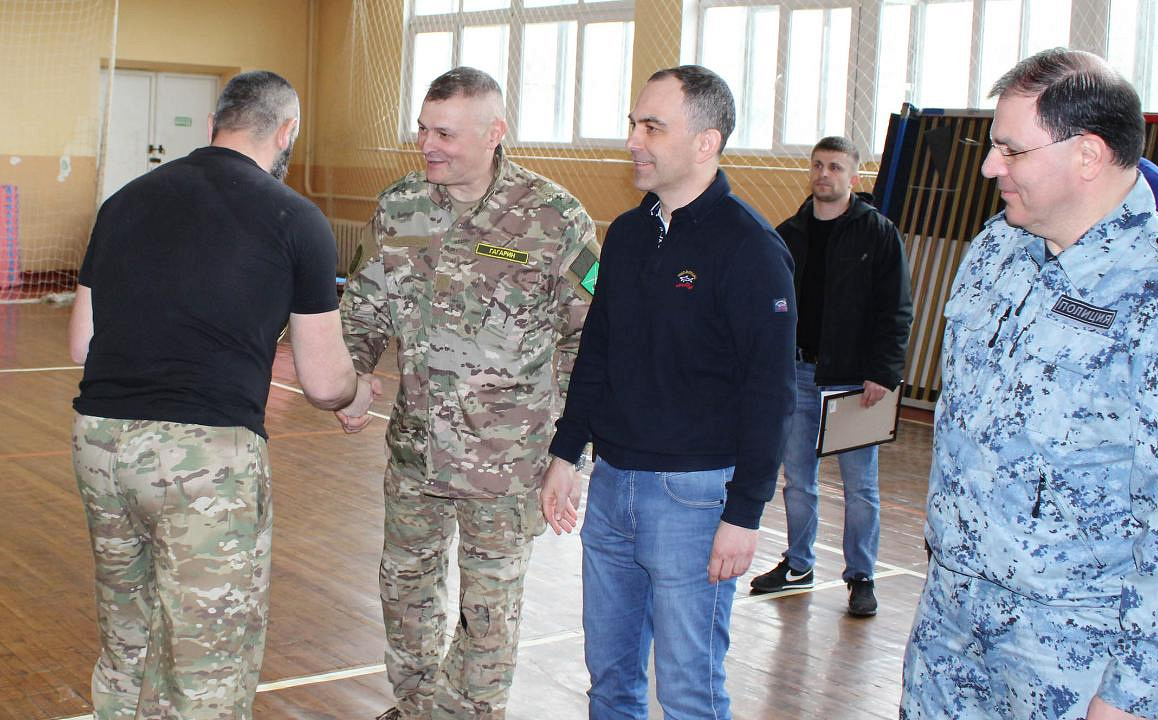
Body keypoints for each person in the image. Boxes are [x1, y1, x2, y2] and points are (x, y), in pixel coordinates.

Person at [901, 48, 1158, 720]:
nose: (989, 167)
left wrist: (1129, 694)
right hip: (950, 627)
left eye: (1011, 150)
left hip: (1072, 650)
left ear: (1088, 155)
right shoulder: (996, 251)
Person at [68, 70, 366, 719]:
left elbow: (81, 345)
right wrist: (356, 392)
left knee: (127, 645)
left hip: (101, 445)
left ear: (213, 126)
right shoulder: (297, 220)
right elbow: (322, 382)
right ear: (286, 132)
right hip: (204, 458)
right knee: (208, 668)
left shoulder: (123, 202)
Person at [338, 66, 599, 720]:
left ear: (494, 132)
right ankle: (417, 708)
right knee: (405, 594)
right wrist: (352, 373)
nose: (428, 145)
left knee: (487, 615)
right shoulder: (400, 208)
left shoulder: (555, 218)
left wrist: (571, 454)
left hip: (508, 467)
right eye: (423, 129)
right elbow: (363, 310)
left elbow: (592, 340)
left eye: (446, 134)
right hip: (415, 456)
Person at [540, 65, 797, 719]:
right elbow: (598, 351)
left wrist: (744, 513)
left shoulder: (750, 248)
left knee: (687, 692)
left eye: (652, 127)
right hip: (612, 487)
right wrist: (567, 453)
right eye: (633, 124)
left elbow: (771, 393)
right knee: (611, 682)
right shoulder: (628, 235)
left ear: (706, 142)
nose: (633, 141)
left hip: (694, 500)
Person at [748, 136, 913, 617]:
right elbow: (771, 307)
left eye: (836, 167)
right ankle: (798, 564)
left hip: (856, 383)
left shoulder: (879, 234)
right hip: (798, 375)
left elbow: (896, 310)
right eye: (818, 165)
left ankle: (861, 575)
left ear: (854, 177)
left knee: (860, 489)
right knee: (798, 482)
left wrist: (882, 372)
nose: (824, 174)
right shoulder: (789, 233)